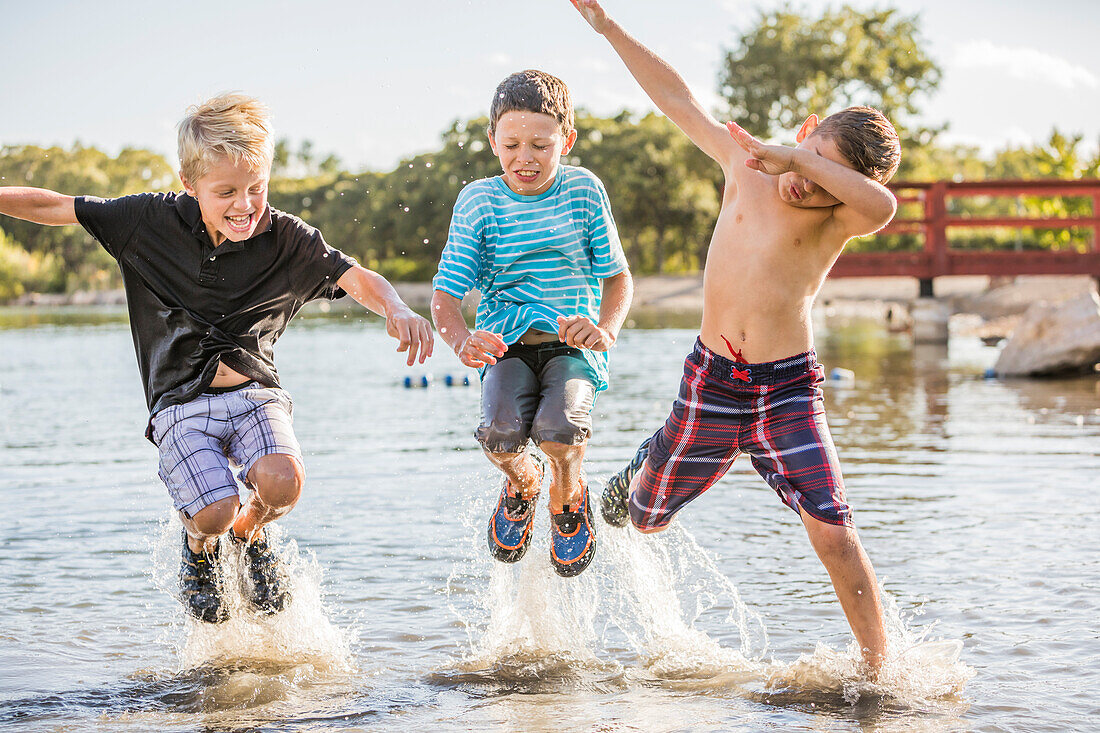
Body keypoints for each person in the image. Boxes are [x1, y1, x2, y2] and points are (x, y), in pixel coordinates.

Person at [0, 93, 434, 623]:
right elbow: (57, 205)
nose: (245, 204)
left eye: (257, 188)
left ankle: (251, 535)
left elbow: (354, 276)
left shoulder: (286, 238)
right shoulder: (145, 220)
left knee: (282, 484)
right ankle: (201, 550)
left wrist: (396, 308)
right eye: (225, 191)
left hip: (256, 396)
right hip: (179, 405)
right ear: (189, 182)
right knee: (211, 513)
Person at [569, 0, 900, 671]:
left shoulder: (838, 217)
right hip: (712, 380)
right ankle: (646, 458)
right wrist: (608, 28)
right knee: (643, 518)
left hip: (787, 392)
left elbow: (883, 204)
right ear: (803, 131)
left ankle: (877, 669)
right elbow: (675, 97)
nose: (801, 183)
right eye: (807, 156)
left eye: (823, 178)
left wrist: (804, 163)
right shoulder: (745, 166)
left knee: (833, 530)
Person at [431, 70, 633, 578]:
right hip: (506, 344)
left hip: (573, 346)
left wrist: (605, 330)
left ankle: (568, 491)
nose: (526, 157)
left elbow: (618, 277)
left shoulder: (584, 189)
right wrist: (462, 340)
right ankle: (522, 484)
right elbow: (445, 295)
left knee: (559, 429)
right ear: (492, 140)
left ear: (565, 140)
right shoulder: (479, 200)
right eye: (512, 144)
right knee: (500, 434)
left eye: (541, 145)